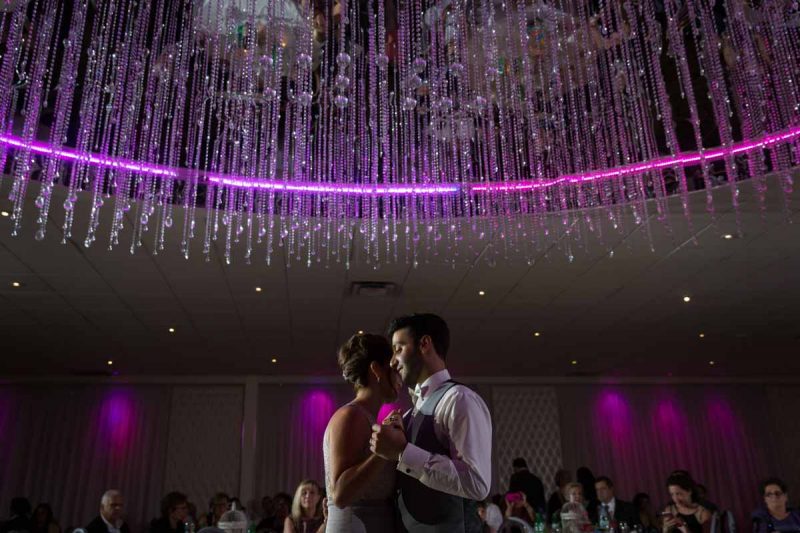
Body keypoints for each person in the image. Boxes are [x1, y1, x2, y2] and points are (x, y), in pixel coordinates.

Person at [370, 313, 493, 532]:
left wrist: (402, 451)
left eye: (398, 349)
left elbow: (476, 483)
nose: (392, 361)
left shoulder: (459, 399)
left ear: (425, 344)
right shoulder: (408, 415)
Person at [323, 333, 402, 532]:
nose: (400, 374)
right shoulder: (350, 415)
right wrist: (384, 451)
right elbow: (341, 494)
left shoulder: (368, 418)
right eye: (393, 368)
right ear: (376, 370)